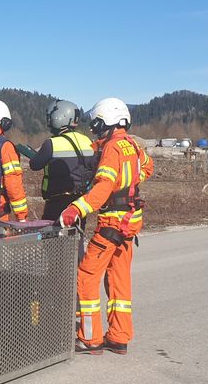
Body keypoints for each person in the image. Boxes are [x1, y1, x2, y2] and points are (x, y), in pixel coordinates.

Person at [59, 98, 154, 355]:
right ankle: (119, 337)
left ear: (109, 123)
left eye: (98, 125)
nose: (95, 131)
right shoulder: (132, 145)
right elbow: (147, 166)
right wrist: (130, 181)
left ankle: (90, 339)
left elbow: (103, 188)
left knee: (87, 276)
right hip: (129, 225)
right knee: (119, 281)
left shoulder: (112, 148)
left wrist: (76, 209)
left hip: (112, 222)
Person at [21, 100, 96, 222]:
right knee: (76, 236)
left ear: (59, 117)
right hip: (80, 202)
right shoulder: (87, 140)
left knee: (52, 238)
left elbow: (34, 165)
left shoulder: (51, 143)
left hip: (56, 202)